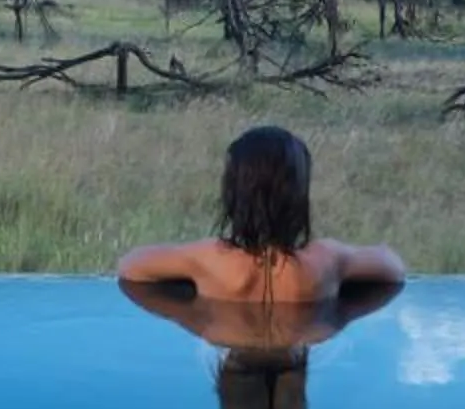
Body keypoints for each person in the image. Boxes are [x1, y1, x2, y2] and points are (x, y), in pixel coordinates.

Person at [115, 125, 406, 303]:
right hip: (303, 333)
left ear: (233, 193)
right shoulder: (327, 261)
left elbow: (131, 266)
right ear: (299, 196)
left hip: (227, 332)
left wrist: (189, 315)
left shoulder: (208, 259)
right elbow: (393, 267)